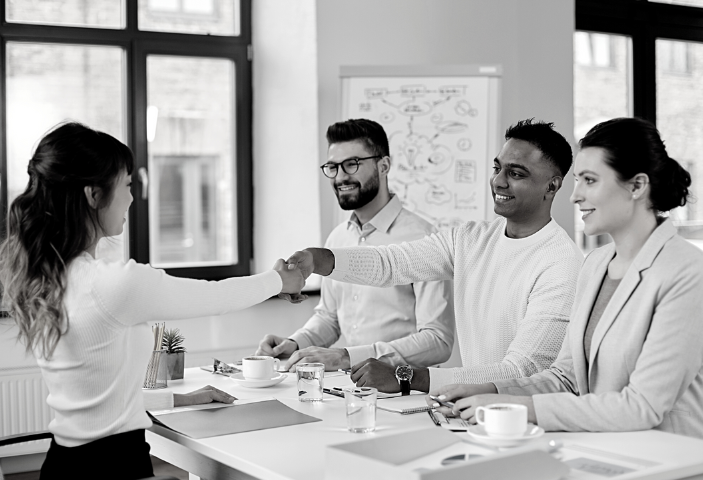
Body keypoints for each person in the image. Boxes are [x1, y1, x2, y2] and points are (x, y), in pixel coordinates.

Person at [0, 122, 305, 479]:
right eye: (126, 185)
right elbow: (213, 296)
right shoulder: (112, 283)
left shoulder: (46, 277)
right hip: (114, 466)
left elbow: (95, 401)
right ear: (94, 195)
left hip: (65, 465)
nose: (131, 197)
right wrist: (281, 279)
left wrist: (179, 399)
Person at [427, 117, 703, 439]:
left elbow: (641, 406)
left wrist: (522, 408)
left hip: (671, 460)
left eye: (589, 180)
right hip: (605, 451)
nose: (574, 196)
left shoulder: (686, 272)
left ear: (637, 186)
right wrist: (487, 392)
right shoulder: (596, 264)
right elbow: (566, 379)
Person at [285, 119, 583, 394]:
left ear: (552, 186)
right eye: (497, 168)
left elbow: (521, 370)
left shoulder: (561, 262)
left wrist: (406, 376)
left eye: (516, 173)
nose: (499, 182)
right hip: (471, 407)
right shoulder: (470, 238)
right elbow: (391, 264)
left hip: (525, 421)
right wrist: (317, 259)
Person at [256, 119, 455, 372]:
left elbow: (438, 341)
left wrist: (348, 357)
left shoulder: (424, 238)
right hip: (352, 388)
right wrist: (295, 344)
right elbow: (330, 318)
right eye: (332, 167)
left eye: (352, 164)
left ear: (384, 166)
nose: (340, 177)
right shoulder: (337, 238)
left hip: (406, 392)